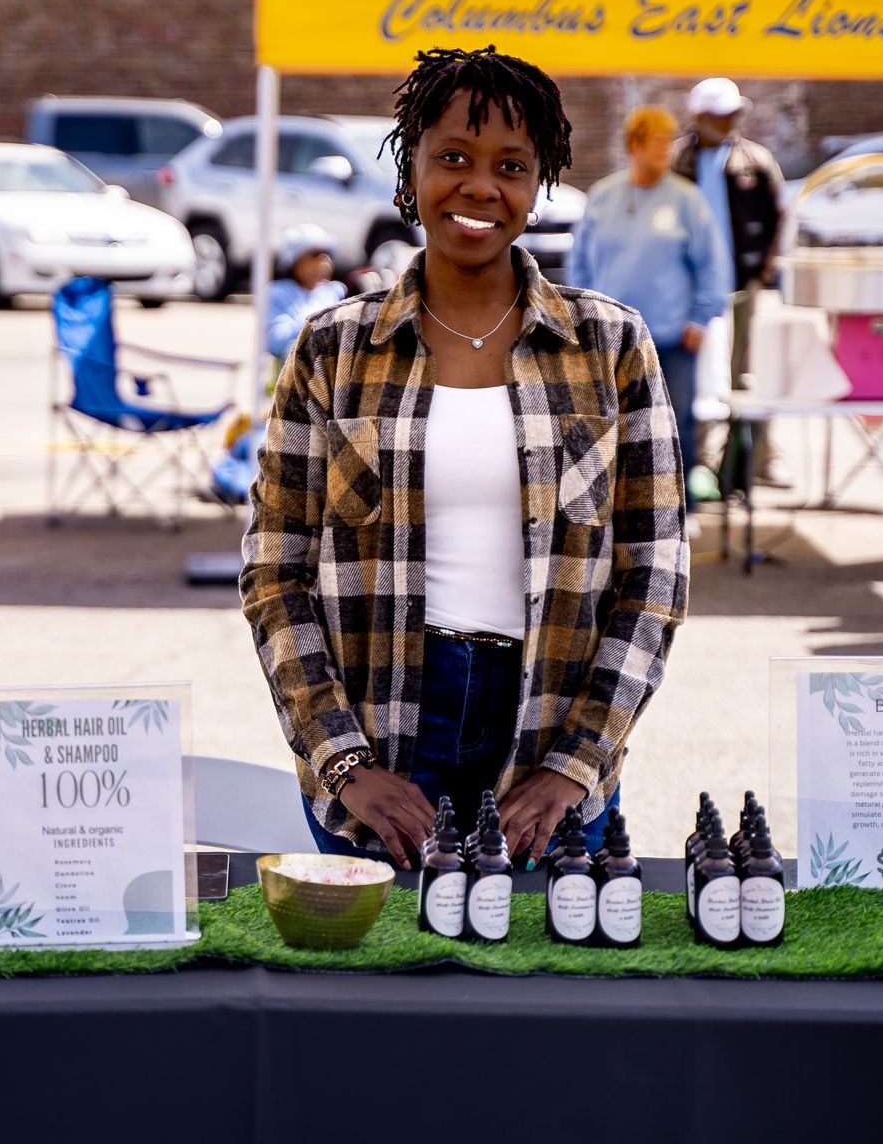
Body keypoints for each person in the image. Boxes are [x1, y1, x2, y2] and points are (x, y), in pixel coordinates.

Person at [241, 46, 688, 869]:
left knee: (546, 988)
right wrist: (343, 762)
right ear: (409, 172)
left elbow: (655, 573)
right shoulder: (333, 349)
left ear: (538, 184)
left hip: (551, 736)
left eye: (510, 166)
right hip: (383, 738)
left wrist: (573, 767)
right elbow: (275, 572)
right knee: (378, 982)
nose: (480, 186)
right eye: (453, 157)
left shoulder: (610, 345)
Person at [566, 104, 731, 509]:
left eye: (667, 143)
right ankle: (615, 505)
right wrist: (578, 316)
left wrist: (701, 317)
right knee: (608, 424)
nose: (664, 151)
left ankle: (677, 509)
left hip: (670, 336)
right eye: (655, 142)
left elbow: (713, 264)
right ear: (633, 145)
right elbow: (581, 263)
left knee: (673, 424)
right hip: (608, 340)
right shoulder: (603, 196)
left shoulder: (686, 200)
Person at [672, 77, 791, 488]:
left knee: (746, 372)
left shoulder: (754, 160)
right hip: (689, 286)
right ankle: (698, 462)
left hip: (740, 283)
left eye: (733, 115)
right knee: (697, 374)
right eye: (722, 116)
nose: (730, 123)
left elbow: (779, 216)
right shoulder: (678, 161)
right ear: (701, 117)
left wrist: (764, 270)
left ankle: (757, 460)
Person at [266, 224, 346, 362]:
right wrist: (317, 316)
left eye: (326, 254)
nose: (324, 261)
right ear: (295, 262)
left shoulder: (335, 291)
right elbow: (275, 342)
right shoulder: (276, 292)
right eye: (315, 255)